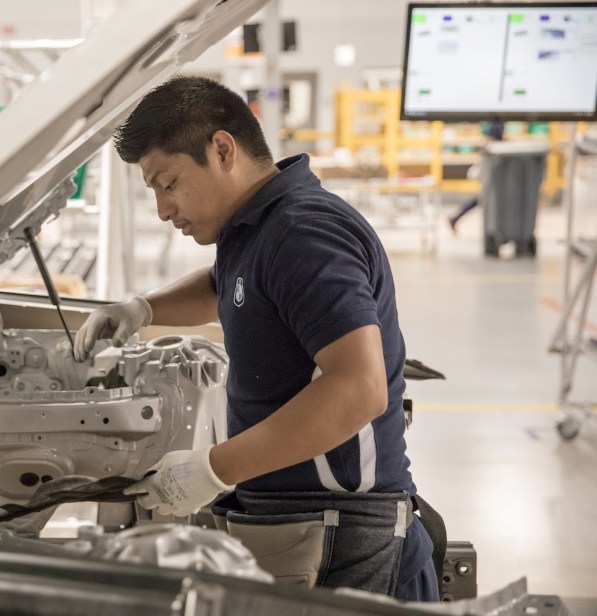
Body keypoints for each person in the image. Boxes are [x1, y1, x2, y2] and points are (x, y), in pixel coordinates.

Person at [73, 76, 438, 601]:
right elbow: (229, 283)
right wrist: (144, 308)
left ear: (222, 149)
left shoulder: (304, 234)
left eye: (168, 183)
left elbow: (360, 388)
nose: (162, 209)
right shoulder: (258, 226)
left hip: (344, 539)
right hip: (301, 523)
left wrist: (213, 469)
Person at [448, 121, 505, 233]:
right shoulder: (493, 142)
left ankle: (456, 217)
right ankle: (495, 230)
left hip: (494, 177)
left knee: (483, 199)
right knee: (484, 199)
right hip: (493, 176)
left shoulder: (490, 142)